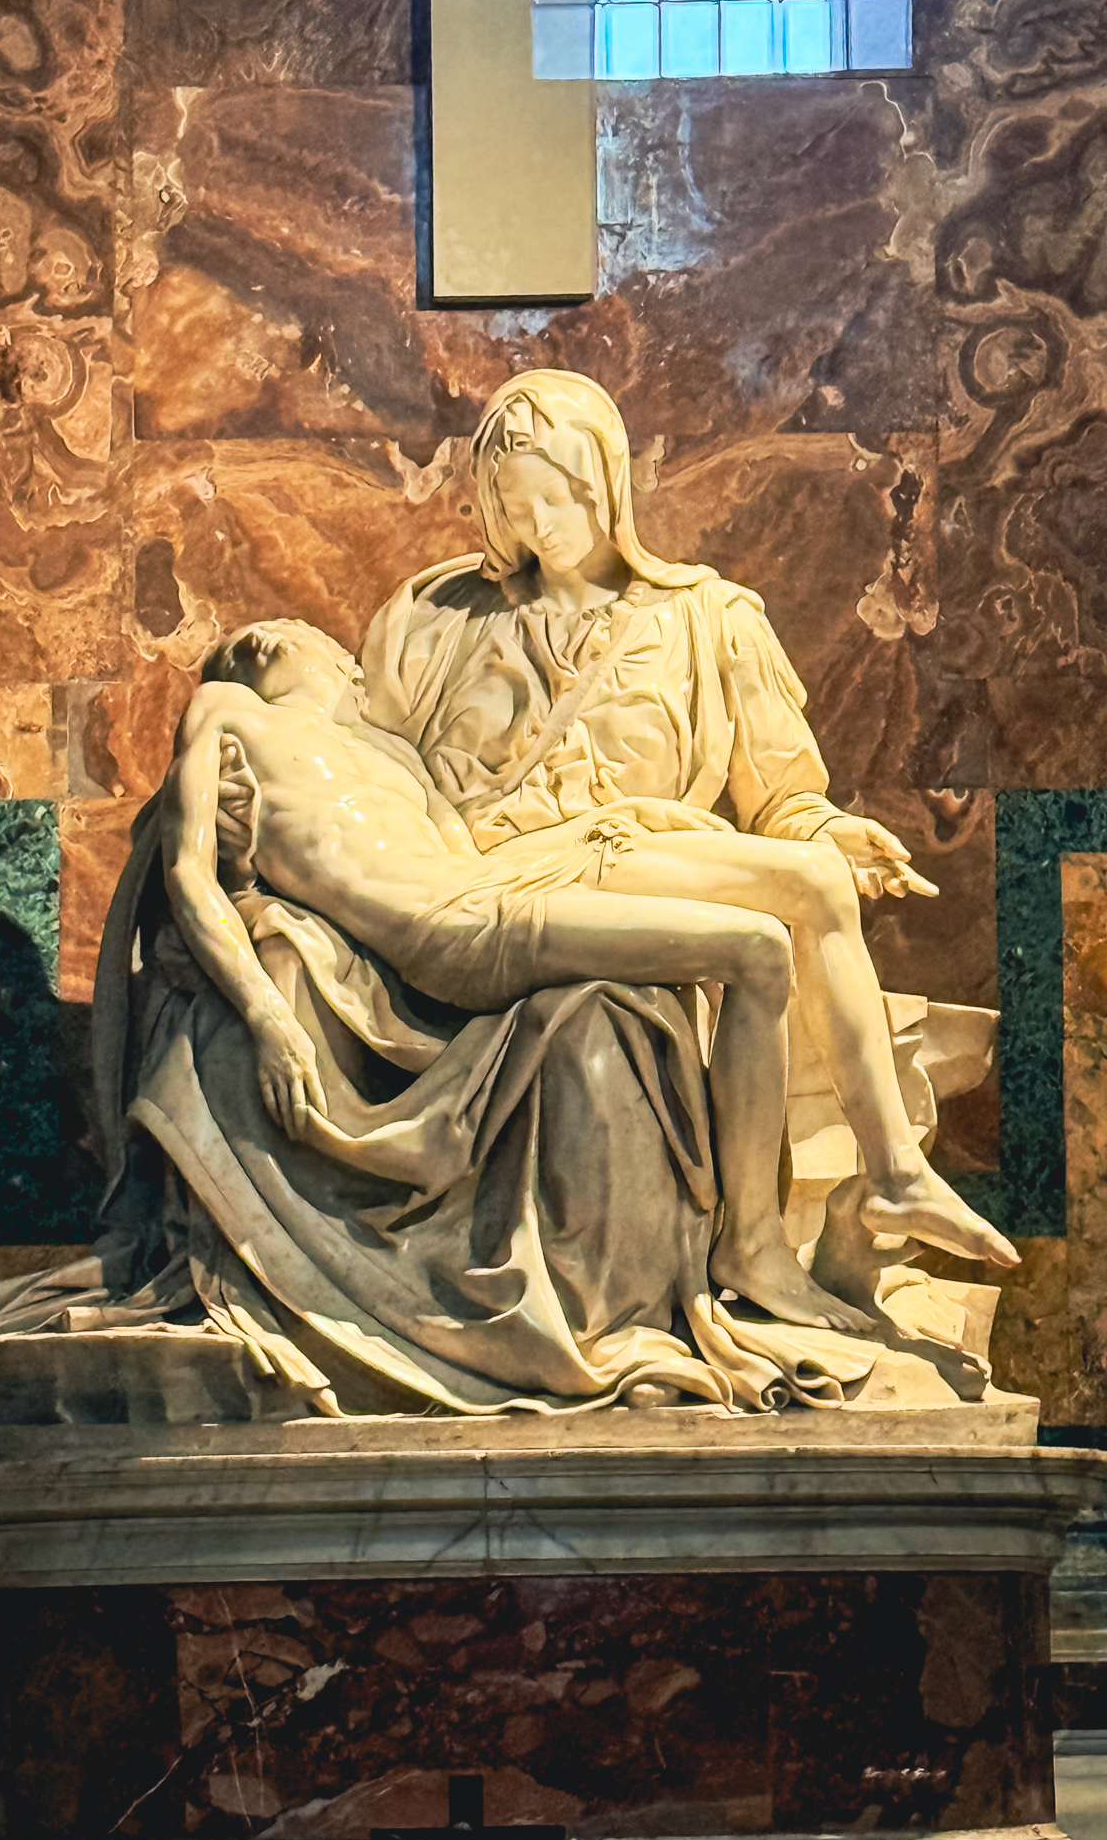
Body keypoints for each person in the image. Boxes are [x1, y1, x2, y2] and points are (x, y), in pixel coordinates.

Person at [357, 369, 1019, 1278]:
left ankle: (876, 1182)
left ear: (605, 482)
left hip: (629, 860)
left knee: (806, 884)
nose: (541, 524)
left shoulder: (710, 620)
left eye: (558, 496)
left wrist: (823, 830)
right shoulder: (439, 623)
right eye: (515, 504)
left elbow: (781, 797)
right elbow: (365, 767)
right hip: (489, 877)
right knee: (790, 900)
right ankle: (885, 1180)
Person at [165, 617, 872, 1333]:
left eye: (314, 637)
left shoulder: (392, 755)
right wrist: (266, 1015)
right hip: (449, 930)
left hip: (491, 891)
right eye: (299, 636)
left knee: (783, 907)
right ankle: (752, 1245)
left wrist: (627, 817)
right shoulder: (230, 708)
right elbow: (189, 873)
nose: (291, 638)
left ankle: (824, 1204)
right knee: (756, 948)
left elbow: (473, 859)